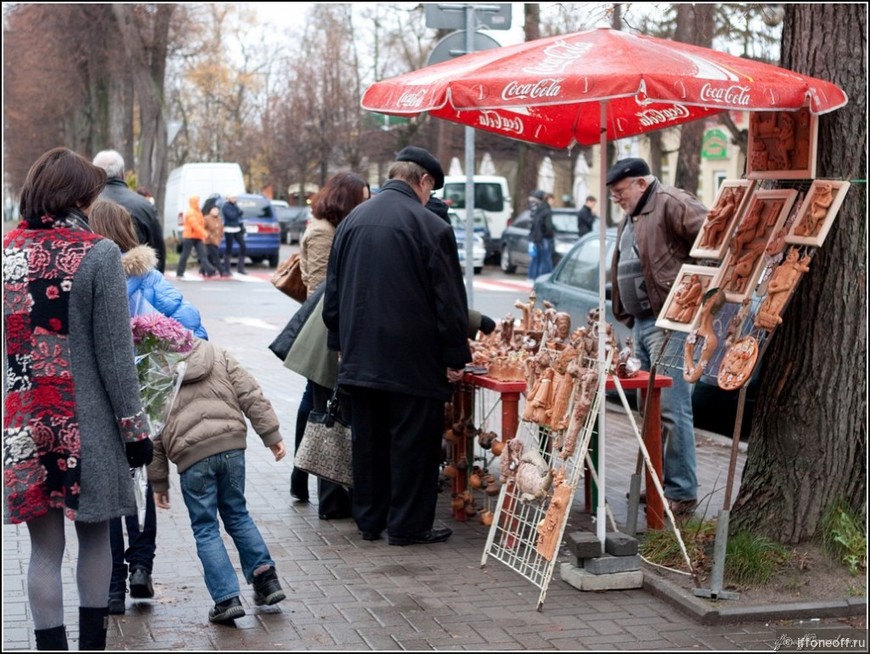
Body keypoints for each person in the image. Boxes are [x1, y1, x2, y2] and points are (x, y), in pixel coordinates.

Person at [3, 147, 154, 650]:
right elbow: (116, 357)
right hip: (87, 424)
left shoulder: (6, 254)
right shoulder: (98, 253)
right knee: (95, 539)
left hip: (24, 423)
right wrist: (136, 431)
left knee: (43, 552)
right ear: (75, 195)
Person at [323, 146, 471, 546]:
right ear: (422, 181)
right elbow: (449, 302)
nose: (430, 199)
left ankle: (369, 520)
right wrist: (456, 356)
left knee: (368, 441)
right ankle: (408, 525)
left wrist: (339, 342)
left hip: (359, 356)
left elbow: (331, 294)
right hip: (412, 359)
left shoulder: (351, 221)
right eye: (430, 190)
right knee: (413, 444)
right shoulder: (431, 227)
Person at [88, 198, 208, 615]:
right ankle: (141, 567)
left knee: (110, 487)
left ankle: (113, 586)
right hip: (147, 397)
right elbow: (191, 324)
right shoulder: (149, 276)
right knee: (144, 478)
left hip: (101, 397)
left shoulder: (86, 274)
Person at [148, 337, 287, 624]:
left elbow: (154, 431)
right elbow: (251, 394)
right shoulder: (216, 353)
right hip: (231, 447)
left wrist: (159, 482)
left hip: (192, 457)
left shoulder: (156, 370)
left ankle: (226, 599)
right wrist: (271, 435)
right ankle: (266, 580)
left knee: (205, 528)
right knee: (237, 514)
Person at [607, 157, 707, 519]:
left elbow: (715, 239)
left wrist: (695, 295)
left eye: (620, 192)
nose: (616, 199)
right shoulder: (635, 212)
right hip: (642, 323)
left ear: (639, 182)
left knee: (671, 408)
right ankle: (657, 483)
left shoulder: (671, 202)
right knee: (647, 410)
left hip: (670, 323)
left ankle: (681, 492)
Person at [285, 171, 370, 518]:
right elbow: (322, 287)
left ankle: (301, 474)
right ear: (347, 199)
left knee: (317, 403)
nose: (366, 203)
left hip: (327, 328)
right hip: (323, 331)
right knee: (321, 406)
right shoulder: (322, 232)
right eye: (362, 198)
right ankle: (303, 472)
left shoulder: (331, 227)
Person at [92, 149, 167, 273]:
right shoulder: (145, 206)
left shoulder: (85, 205)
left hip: (95, 279)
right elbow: (158, 249)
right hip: (136, 275)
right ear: (122, 173)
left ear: (95, 173)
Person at [176, 195, 218, 278]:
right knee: (185, 255)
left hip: (198, 237)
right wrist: (205, 234)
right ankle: (179, 272)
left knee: (203, 255)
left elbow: (201, 224)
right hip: (189, 237)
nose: (199, 203)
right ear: (194, 202)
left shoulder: (198, 211)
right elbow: (195, 225)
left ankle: (210, 271)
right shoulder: (190, 212)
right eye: (197, 201)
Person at [528, 190, 554, 279]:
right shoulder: (547, 211)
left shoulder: (537, 209)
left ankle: (532, 277)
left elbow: (534, 224)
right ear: (548, 200)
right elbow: (548, 226)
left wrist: (533, 237)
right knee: (545, 260)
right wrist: (550, 234)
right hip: (544, 238)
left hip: (537, 237)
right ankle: (545, 278)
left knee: (536, 259)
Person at [221, 194, 247, 275]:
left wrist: (238, 212)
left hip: (237, 228)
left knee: (243, 246)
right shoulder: (225, 206)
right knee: (229, 248)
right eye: (233, 197)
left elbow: (240, 214)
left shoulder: (235, 206)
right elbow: (231, 216)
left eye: (235, 197)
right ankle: (227, 269)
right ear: (228, 198)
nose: (235, 199)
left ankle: (240, 268)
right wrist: (237, 212)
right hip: (229, 229)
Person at [201, 205, 224, 276]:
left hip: (216, 240)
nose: (216, 211)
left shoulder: (219, 219)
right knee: (216, 256)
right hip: (209, 240)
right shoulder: (206, 218)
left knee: (209, 257)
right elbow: (203, 228)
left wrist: (220, 237)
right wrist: (208, 235)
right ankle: (222, 271)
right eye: (214, 210)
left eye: (217, 210)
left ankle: (203, 270)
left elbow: (221, 229)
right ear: (210, 211)